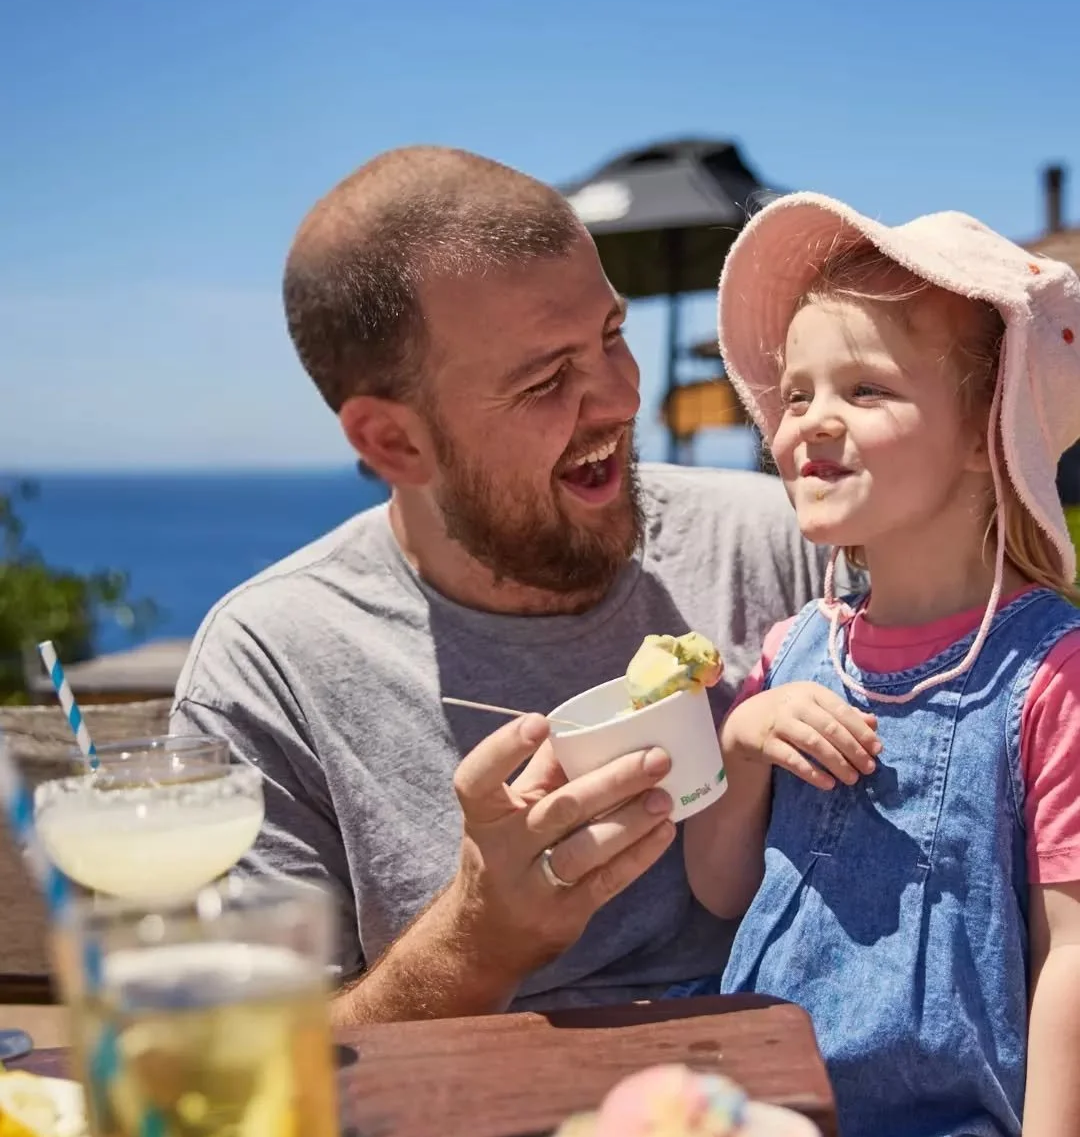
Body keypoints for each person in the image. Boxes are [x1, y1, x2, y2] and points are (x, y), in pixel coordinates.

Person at [170, 145, 833, 1023]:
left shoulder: (779, 547)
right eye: (547, 380)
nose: (621, 397)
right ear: (394, 444)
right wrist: (478, 941)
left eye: (611, 337)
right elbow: (250, 1062)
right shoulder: (271, 668)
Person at [679, 193, 1080, 1137]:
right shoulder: (795, 647)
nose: (810, 420)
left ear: (982, 437)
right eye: (797, 391)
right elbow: (723, 892)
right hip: (753, 1108)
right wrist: (740, 749)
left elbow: (1072, 954)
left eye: (864, 388)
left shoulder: (1050, 674)